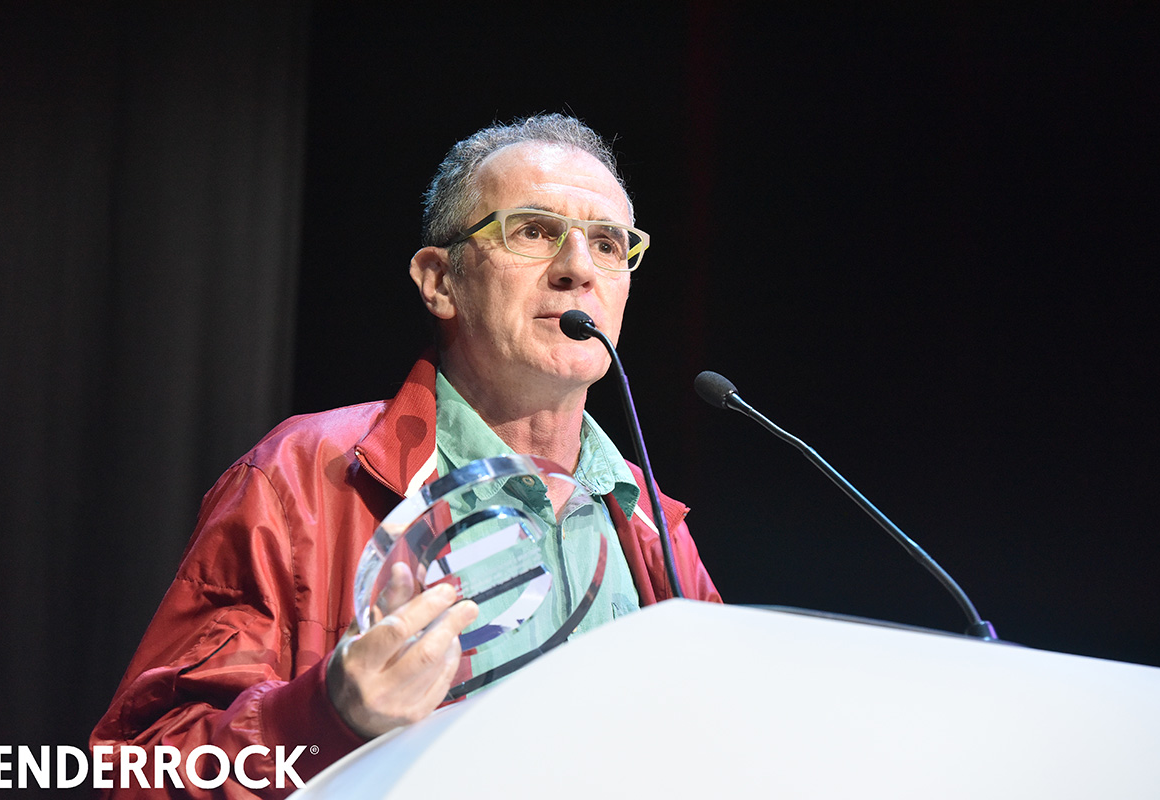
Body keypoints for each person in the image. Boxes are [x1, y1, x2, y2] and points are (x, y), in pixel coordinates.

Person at [91, 114, 720, 798]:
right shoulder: (301, 478)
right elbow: (136, 769)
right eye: (534, 231)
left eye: (607, 243)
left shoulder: (653, 525)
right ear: (439, 282)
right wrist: (327, 716)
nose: (578, 269)